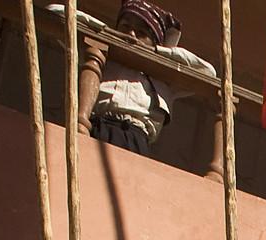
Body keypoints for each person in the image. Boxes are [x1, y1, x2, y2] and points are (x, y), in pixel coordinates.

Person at [84, 0, 217, 155]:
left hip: (135, 138)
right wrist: (106, 34)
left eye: (142, 33)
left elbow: (208, 71)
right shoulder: (102, 57)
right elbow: (56, 12)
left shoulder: (162, 76)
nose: (131, 34)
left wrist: (155, 52)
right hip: (96, 127)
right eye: (126, 26)